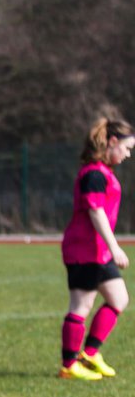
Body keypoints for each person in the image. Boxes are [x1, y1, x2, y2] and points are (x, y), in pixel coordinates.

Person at [59, 115, 135, 380]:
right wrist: (114, 246)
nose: (127, 155)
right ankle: (69, 366)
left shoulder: (103, 173)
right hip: (84, 249)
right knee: (81, 305)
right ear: (112, 142)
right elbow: (95, 211)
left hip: (98, 251)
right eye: (126, 149)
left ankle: (89, 354)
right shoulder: (94, 173)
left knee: (118, 299)